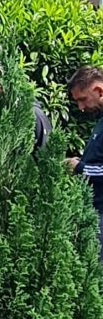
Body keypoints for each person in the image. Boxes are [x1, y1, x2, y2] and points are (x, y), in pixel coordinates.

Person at [67, 65, 103, 258]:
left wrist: (80, 168)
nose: (81, 108)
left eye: (83, 99)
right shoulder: (100, 121)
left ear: (99, 90)